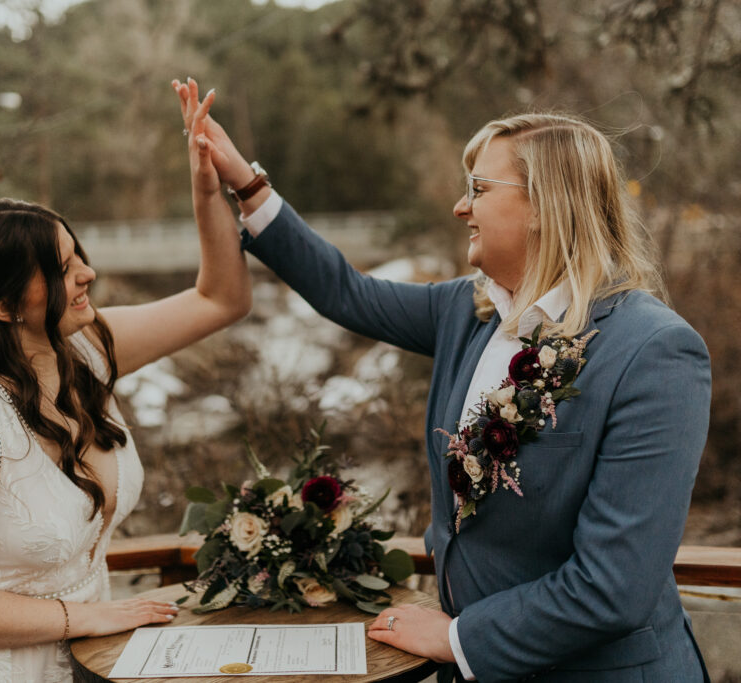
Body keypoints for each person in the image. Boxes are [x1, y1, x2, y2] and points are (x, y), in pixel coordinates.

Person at [172, 79, 712, 681]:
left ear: (546, 204)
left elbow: (615, 586)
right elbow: (344, 291)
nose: (460, 208)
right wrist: (247, 184)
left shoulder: (654, 351)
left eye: (478, 190)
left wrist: (458, 638)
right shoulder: (466, 312)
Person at [0, 90, 250, 681]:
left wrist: (206, 189)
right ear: (2, 303)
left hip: (87, 661)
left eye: (78, 257)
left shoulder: (87, 349)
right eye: (63, 269)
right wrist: (85, 616)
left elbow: (221, 298)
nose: (88, 275)